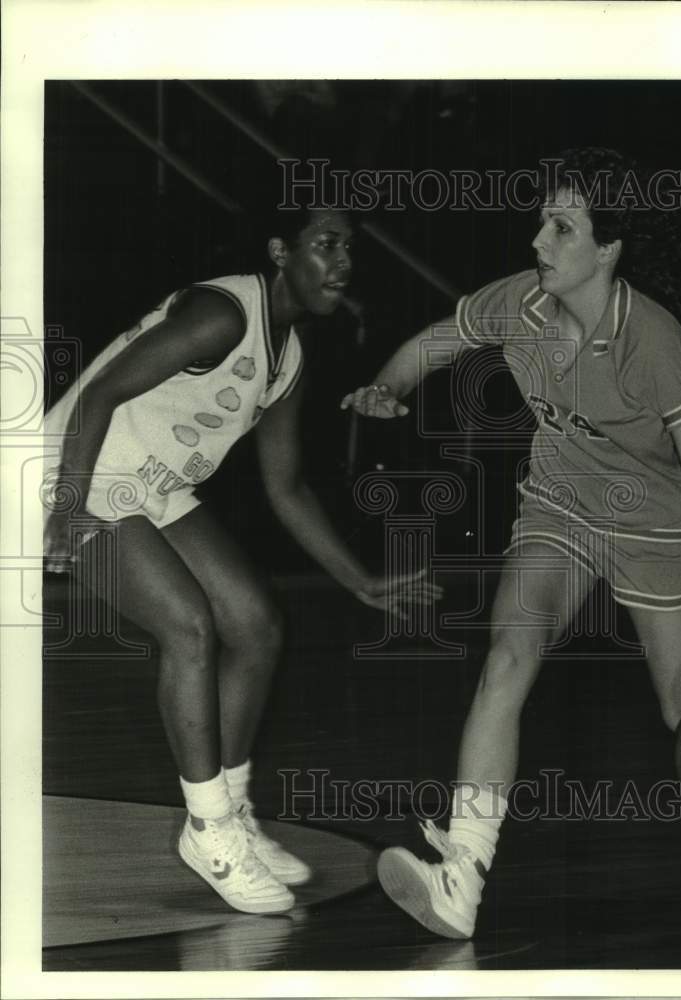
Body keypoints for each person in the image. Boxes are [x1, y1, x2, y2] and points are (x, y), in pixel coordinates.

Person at [341, 147, 681, 940]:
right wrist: (388, 387)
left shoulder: (653, 342)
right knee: (507, 657)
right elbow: (437, 340)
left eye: (561, 226)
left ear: (607, 250)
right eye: (541, 219)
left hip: (653, 529)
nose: (538, 237)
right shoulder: (520, 304)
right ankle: (461, 870)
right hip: (558, 510)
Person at [43, 204, 440, 915]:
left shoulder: (287, 359)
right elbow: (99, 393)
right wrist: (68, 504)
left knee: (257, 624)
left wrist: (361, 581)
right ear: (279, 251)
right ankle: (210, 830)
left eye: (350, 248)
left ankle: (231, 810)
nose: (342, 262)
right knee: (189, 628)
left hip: (152, 485)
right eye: (326, 244)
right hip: (75, 469)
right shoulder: (223, 313)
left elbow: (285, 487)